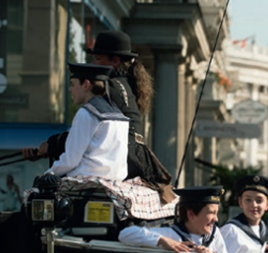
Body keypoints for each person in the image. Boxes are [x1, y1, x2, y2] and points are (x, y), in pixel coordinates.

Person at [22, 30, 174, 202]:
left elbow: (89, 131)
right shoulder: (125, 86)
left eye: (97, 59)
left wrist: (51, 146)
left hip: (122, 160)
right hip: (133, 161)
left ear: (115, 61)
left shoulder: (108, 88)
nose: (93, 63)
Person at [45, 63, 129, 179]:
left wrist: (50, 173)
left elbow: (70, 160)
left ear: (86, 85)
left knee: (33, 193)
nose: (70, 90)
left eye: (73, 84)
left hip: (87, 183)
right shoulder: (120, 116)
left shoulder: (86, 113)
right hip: (116, 183)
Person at [118, 186, 231, 253]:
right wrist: (162, 240)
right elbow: (125, 234)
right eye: (211, 213)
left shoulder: (214, 234)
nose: (216, 219)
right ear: (191, 214)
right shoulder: (171, 234)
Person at [220, 175, 268, 253]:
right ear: (240, 202)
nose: (254, 205)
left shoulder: (261, 229)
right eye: (248, 200)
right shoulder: (231, 230)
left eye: (259, 200)